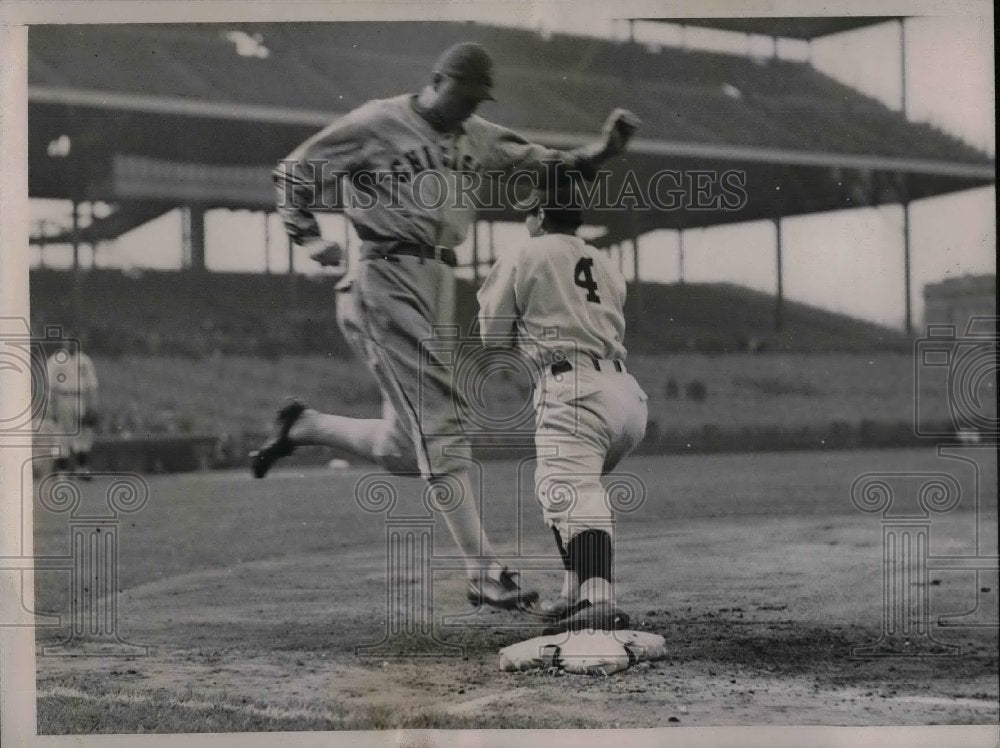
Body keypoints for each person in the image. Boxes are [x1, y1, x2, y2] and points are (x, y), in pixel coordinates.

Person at [252, 41, 639, 610]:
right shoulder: (376, 121)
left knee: (405, 446)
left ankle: (305, 426)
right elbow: (293, 172)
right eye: (463, 95)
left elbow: (546, 164)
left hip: (438, 280)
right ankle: (484, 571)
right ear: (436, 81)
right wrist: (307, 237)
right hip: (384, 270)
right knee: (441, 426)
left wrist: (604, 151)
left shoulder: (476, 134)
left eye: (478, 99)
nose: (469, 107)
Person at [476, 175, 648, 632]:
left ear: (540, 215)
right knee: (554, 487)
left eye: (528, 213)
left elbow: (491, 335)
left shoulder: (526, 252)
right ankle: (574, 593)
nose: (525, 221)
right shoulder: (604, 260)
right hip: (624, 393)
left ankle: (598, 596)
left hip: (574, 389)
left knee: (571, 490)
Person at [46, 336, 99, 480]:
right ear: (64, 343)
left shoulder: (84, 360)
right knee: (61, 433)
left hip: (80, 398)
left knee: (83, 433)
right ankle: (62, 472)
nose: (71, 345)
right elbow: (51, 387)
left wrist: (93, 405)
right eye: (69, 342)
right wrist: (51, 407)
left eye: (74, 342)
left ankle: (82, 469)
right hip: (63, 398)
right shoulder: (56, 360)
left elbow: (92, 385)